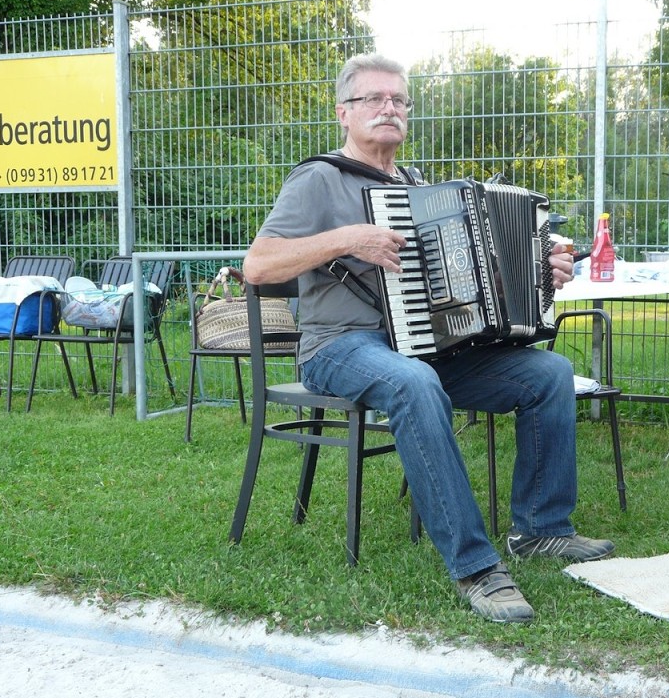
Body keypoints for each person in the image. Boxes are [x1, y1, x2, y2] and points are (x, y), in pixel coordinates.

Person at [242, 53, 613, 623]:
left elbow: (469, 280)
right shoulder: (318, 179)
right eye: (373, 99)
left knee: (548, 374)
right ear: (344, 112)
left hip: (423, 343)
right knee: (413, 383)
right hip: (340, 346)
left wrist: (540, 272)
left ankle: (541, 528)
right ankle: (476, 568)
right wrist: (347, 238)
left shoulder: (420, 187)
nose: (388, 108)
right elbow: (258, 266)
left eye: (398, 100)